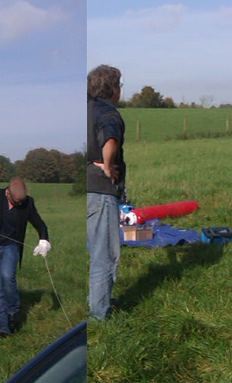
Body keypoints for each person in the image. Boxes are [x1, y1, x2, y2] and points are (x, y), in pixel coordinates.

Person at [0, 178, 51, 338]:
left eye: (20, 203)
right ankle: (5, 327)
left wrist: (44, 240)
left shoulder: (27, 203)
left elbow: (40, 224)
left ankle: (13, 310)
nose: (18, 206)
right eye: (15, 202)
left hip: (11, 246)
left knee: (8, 277)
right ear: (7, 192)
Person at [87, 64, 125, 320]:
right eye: (120, 84)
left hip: (87, 191)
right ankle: (100, 314)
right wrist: (109, 167)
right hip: (101, 192)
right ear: (112, 88)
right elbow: (110, 140)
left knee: (96, 250)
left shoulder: (85, 109)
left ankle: (97, 301)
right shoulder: (108, 112)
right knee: (105, 254)